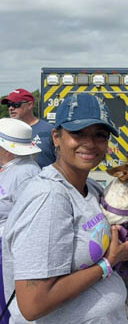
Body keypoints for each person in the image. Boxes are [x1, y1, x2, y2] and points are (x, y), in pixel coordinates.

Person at [2, 93, 128, 323]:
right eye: (78, 133)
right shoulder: (48, 197)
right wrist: (108, 263)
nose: (90, 143)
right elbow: (33, 303)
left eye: (100, 135)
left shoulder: (91, 187)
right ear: (56, 137)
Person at [0, 118, 41, 324]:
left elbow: (27, 219)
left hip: (10, 249)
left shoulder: (26, 173)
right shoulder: (11, 169)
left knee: (9, 303)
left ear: (6, 148)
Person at [2, 88, 56, 168]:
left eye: (16, 104)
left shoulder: (49, 130)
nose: (11, 108)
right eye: (9, 105)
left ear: (30, 105)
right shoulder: (6, 131)